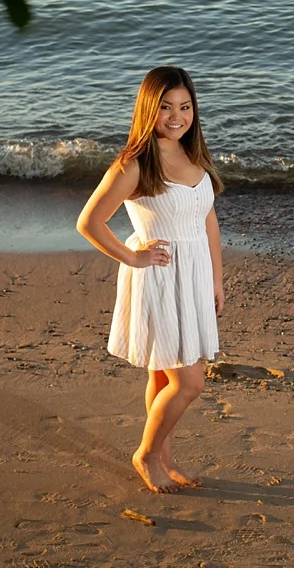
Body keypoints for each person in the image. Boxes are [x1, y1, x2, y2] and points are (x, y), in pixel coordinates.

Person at [76, 65, 226, 493]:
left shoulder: (192, 154)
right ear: (148, 108)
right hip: (161, 278)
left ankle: (163, 457)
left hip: (194, 275)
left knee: (162, 378)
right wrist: (134, 258)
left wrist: (216, 279)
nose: (176, 117)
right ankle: (145, 453)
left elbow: (208, 219)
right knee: (189, 382)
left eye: (185, 106)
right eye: (165, 107)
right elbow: (90, 222)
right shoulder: (133, 164)